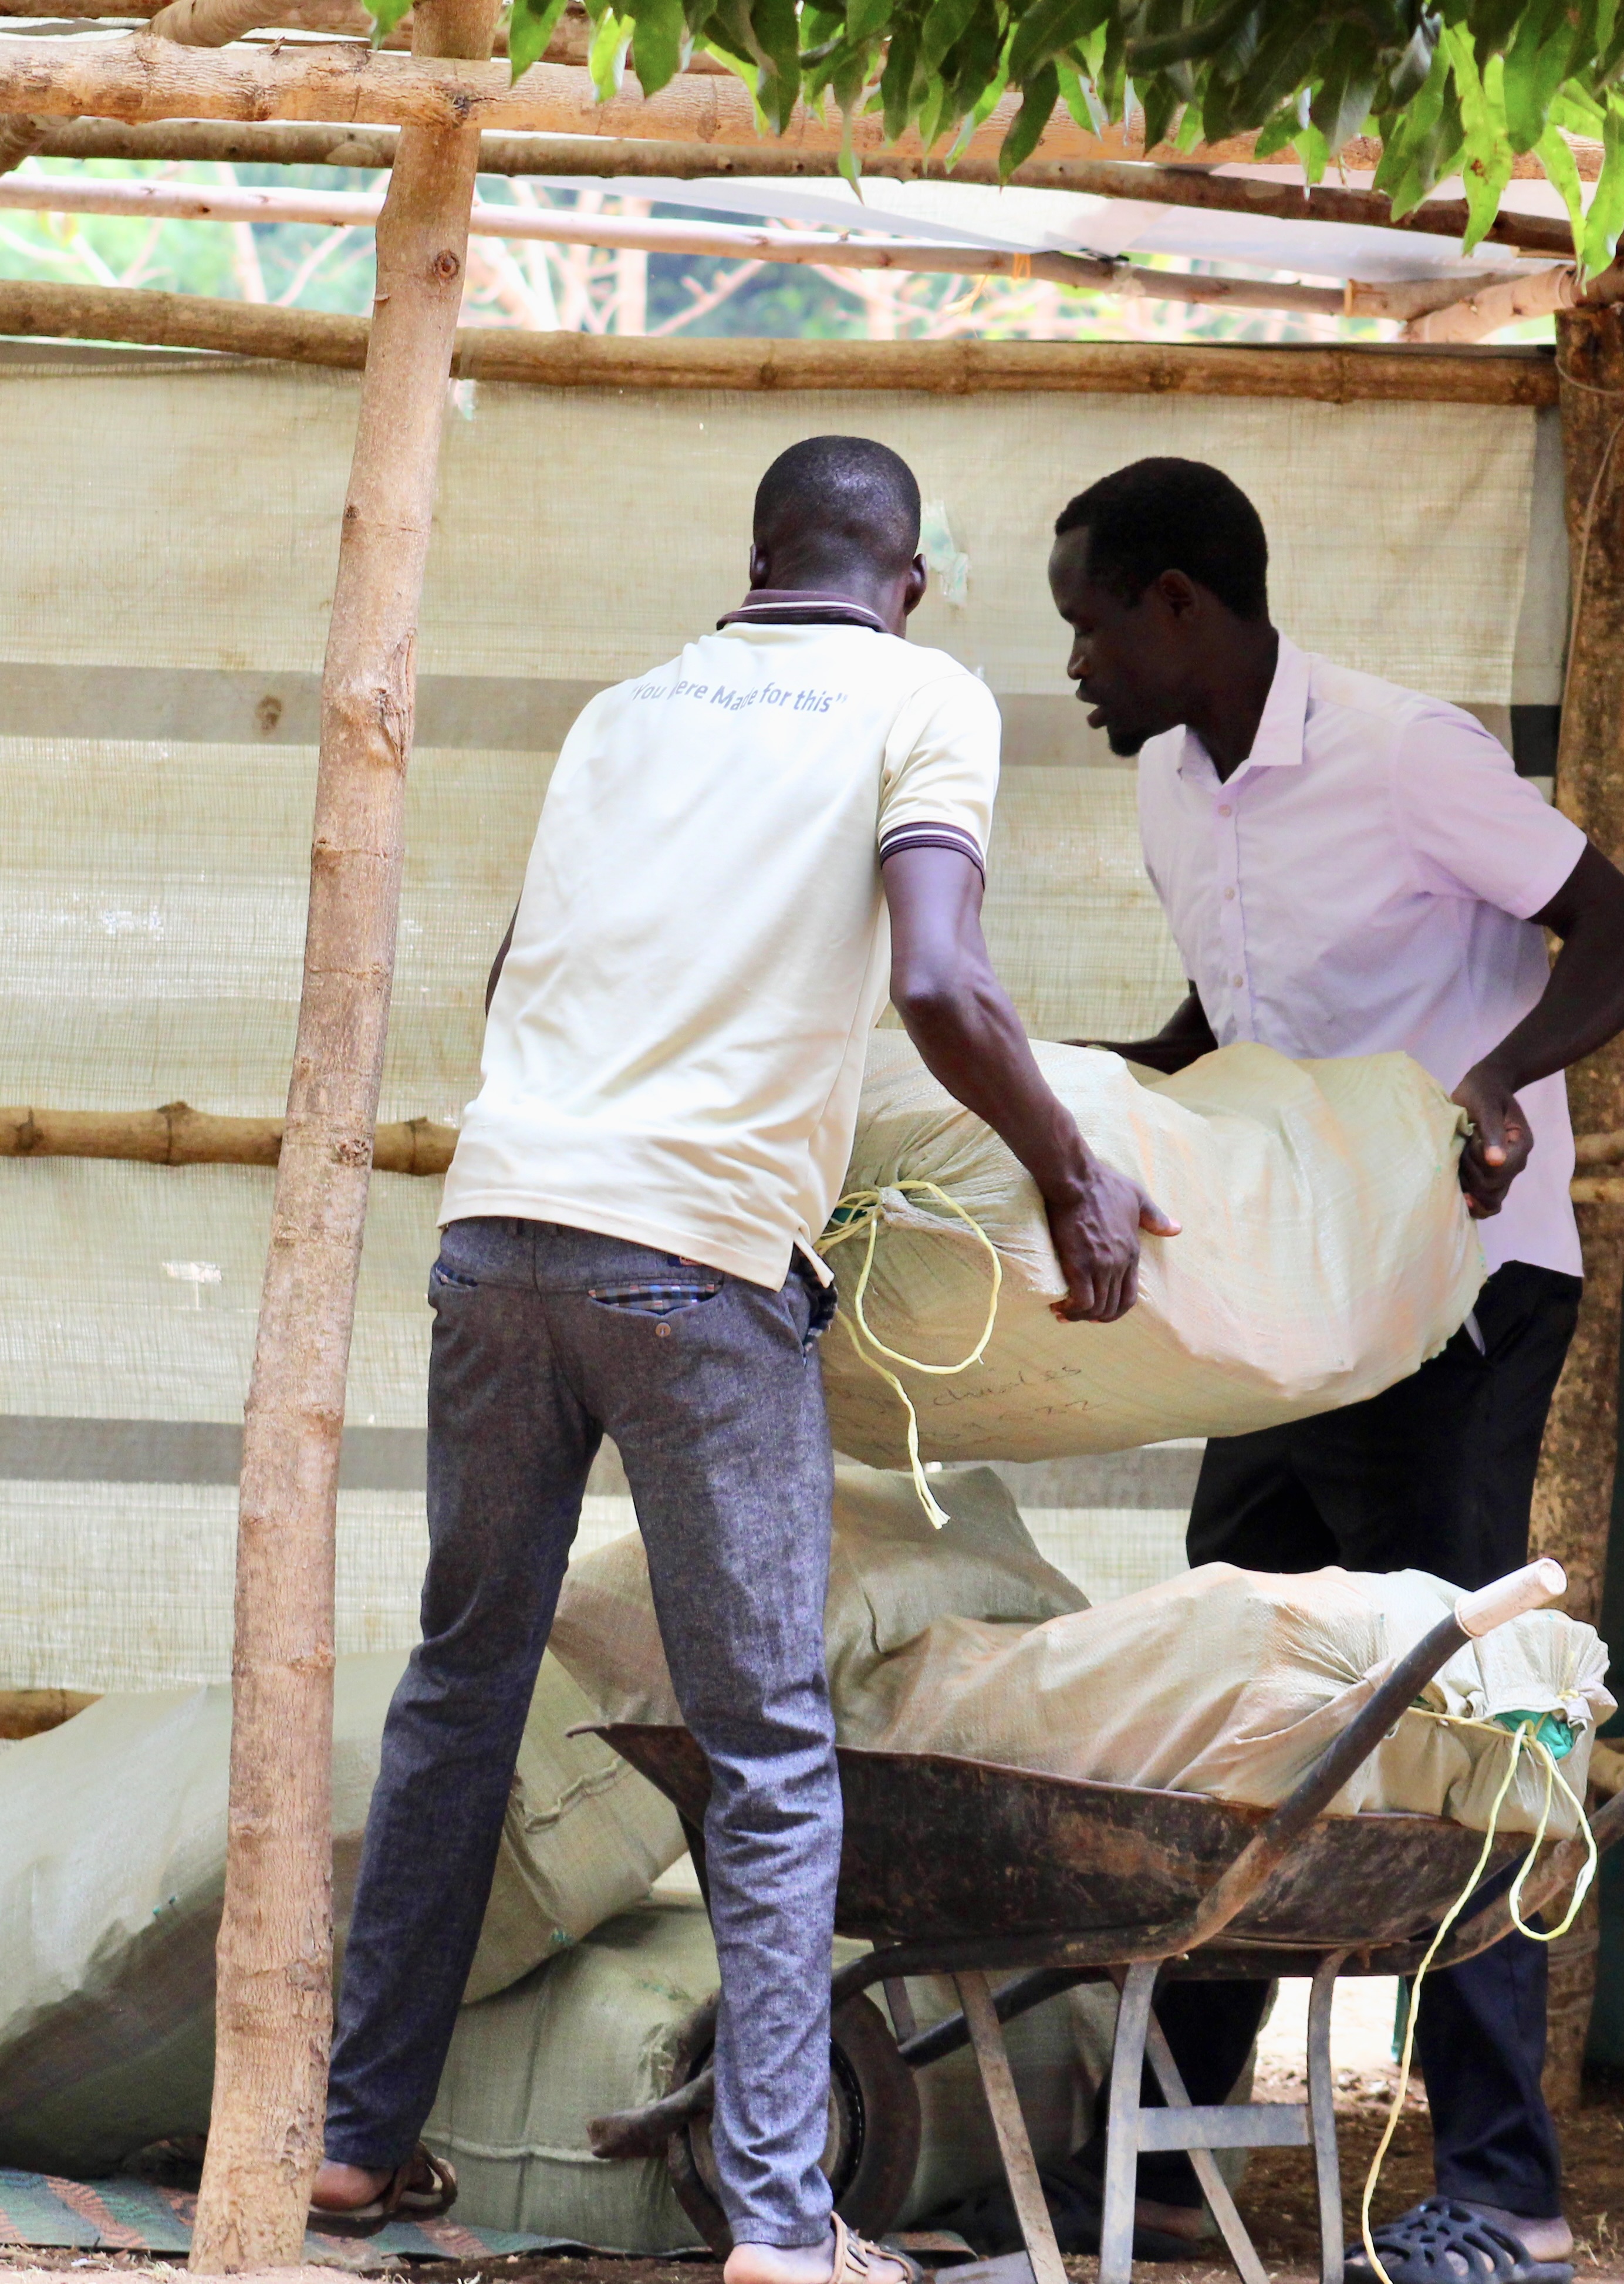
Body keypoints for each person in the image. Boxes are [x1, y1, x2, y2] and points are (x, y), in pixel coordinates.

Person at [308, 434, 1177, 2284]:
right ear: (907, 580)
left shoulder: (622, 714)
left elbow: (517, 982)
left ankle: (353, 2143)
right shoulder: (923, 701)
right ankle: (782, 2222)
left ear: (760, 555)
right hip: (697, 1271)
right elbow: (939, 980)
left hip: (501, 1234)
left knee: (461, 1686)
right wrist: (1073, 1175)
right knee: (770, 1752)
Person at [1042, 457, 1624, 2284]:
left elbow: (1623, 933)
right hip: (1294, 1299)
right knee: (1243, 1680)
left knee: (1449, 1699)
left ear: (1178, 604)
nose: (1075, 665)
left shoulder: (1403, 756)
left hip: (1461, 1285)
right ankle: (1169, 2160)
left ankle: (1507, 2191)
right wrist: (1098, 1088)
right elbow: (1237, 1025)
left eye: (1091, 624)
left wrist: (1498, 1081)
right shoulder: (1170, 787)